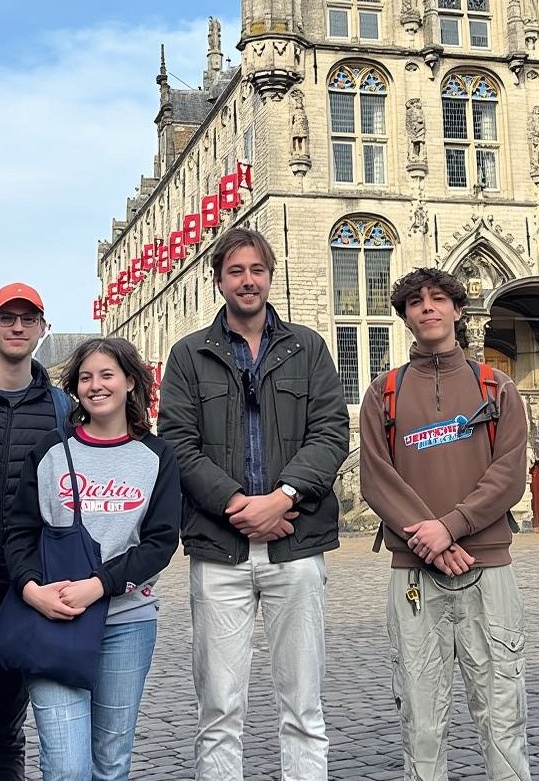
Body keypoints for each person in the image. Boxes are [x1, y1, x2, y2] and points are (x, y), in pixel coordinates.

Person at [158, 227, 349, 781]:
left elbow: (330, 432)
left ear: (270, 275)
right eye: (236, 271)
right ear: (218, 280)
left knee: (304, 707)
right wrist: (237, 503)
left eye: (257, 270)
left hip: (297, 544)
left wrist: (283, 497)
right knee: (219, 709)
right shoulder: (188, 355)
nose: (248, 280)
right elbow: (178, 443)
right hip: (220, 550)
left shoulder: (308, 348)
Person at [359, 267, 532, 781]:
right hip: (415, 575)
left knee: (502, 717)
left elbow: (508, 475)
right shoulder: (384, 392)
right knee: (422, 722)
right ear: (405, 317)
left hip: (488, 570)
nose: (427, 308)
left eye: (438, 299)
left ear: (458, 310)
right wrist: (432, 539)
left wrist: (451, 527)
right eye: (416, 302)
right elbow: (376, 478)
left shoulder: (497, 387)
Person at [6, 337, 181, 780]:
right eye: (85, 377)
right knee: (67, 767)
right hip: (55, 620)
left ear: (130, 382)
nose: (95, 385)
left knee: (111, 762)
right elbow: (19, 532)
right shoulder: (49, 451)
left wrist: (98, 585)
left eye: (106, 375)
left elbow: (160, 543)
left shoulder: (157, 456)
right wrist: (31, 590)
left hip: (127, 623)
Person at [0, 282, 70, 781]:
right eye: (7, 318)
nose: (17, 327)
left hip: (21, 586)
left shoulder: (61, 408)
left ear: (43, 329)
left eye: (28, 319)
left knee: (5, 724)